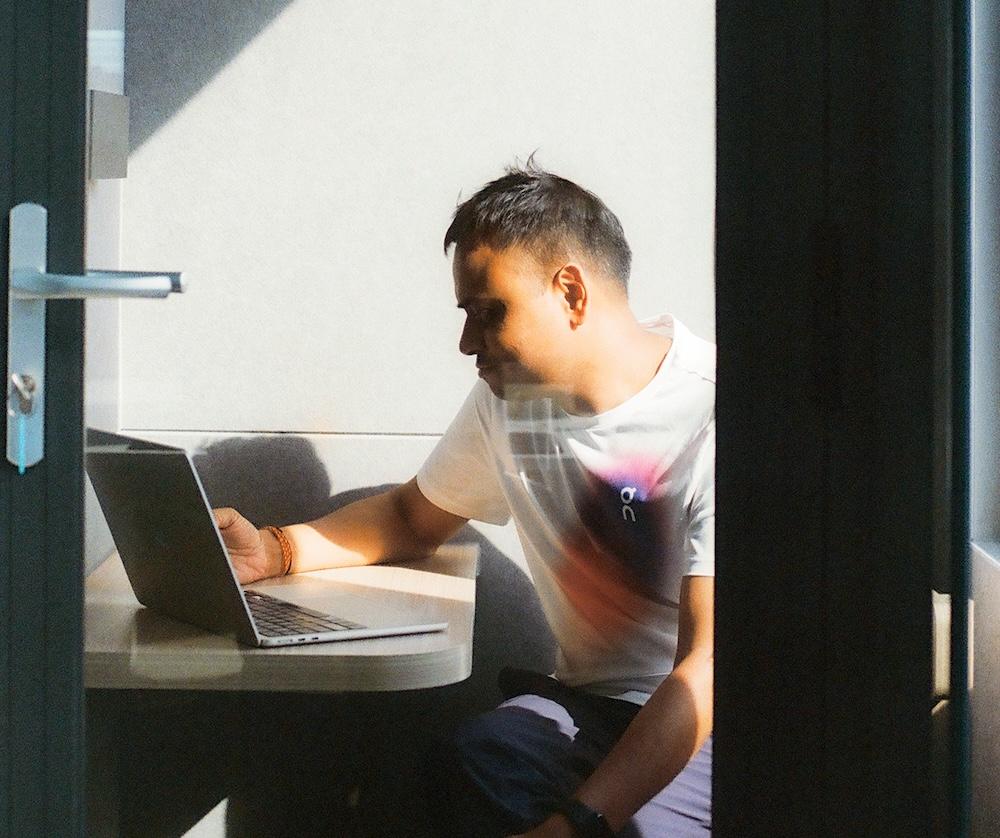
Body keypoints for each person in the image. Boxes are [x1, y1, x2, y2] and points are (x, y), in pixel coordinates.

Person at [214, 162, 715, 837]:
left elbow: (704, 666)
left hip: (712, 728)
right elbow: (410, 518)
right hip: (593, 711)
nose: (466, 343)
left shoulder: (710, 412)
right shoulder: (518, 403)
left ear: (571, 291)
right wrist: (275, 550)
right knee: (461, 764)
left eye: (489, 313)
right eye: (466, 314)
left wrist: (578, 824)